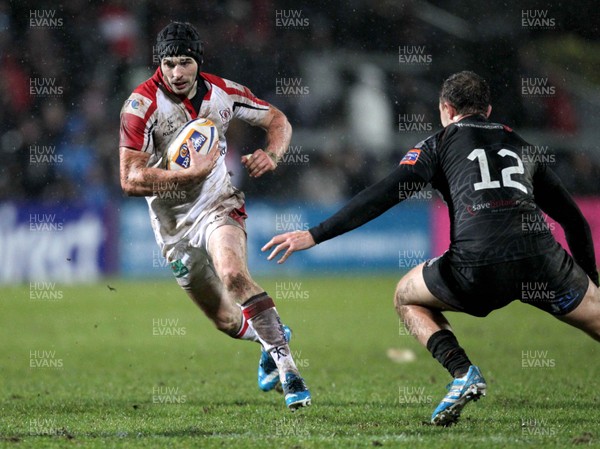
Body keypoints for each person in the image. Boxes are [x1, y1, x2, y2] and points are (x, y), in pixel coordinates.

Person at [262, 71, 599, 424]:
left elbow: (380, 196)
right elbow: (574, 220)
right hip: (541, 260)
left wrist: (316, 234)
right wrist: (590, 281)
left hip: (477, 265)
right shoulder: (522, 145)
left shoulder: (438, 144)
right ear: (487, 109)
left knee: (405, 296)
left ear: (446, 109)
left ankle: (462, 372)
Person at [118, 21, 310, 410]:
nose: (176, 72)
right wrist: (186, 175)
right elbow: (129, 179)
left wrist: (272, 154)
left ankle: (289, 371)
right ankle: (270, 333)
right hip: (172, 226)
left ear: (198, 61)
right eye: (168, 63)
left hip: (218, 203)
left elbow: (279, 121)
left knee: (234, 275)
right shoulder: (141, 106)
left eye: (184, 62)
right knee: (225, 320)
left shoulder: (224, 93)